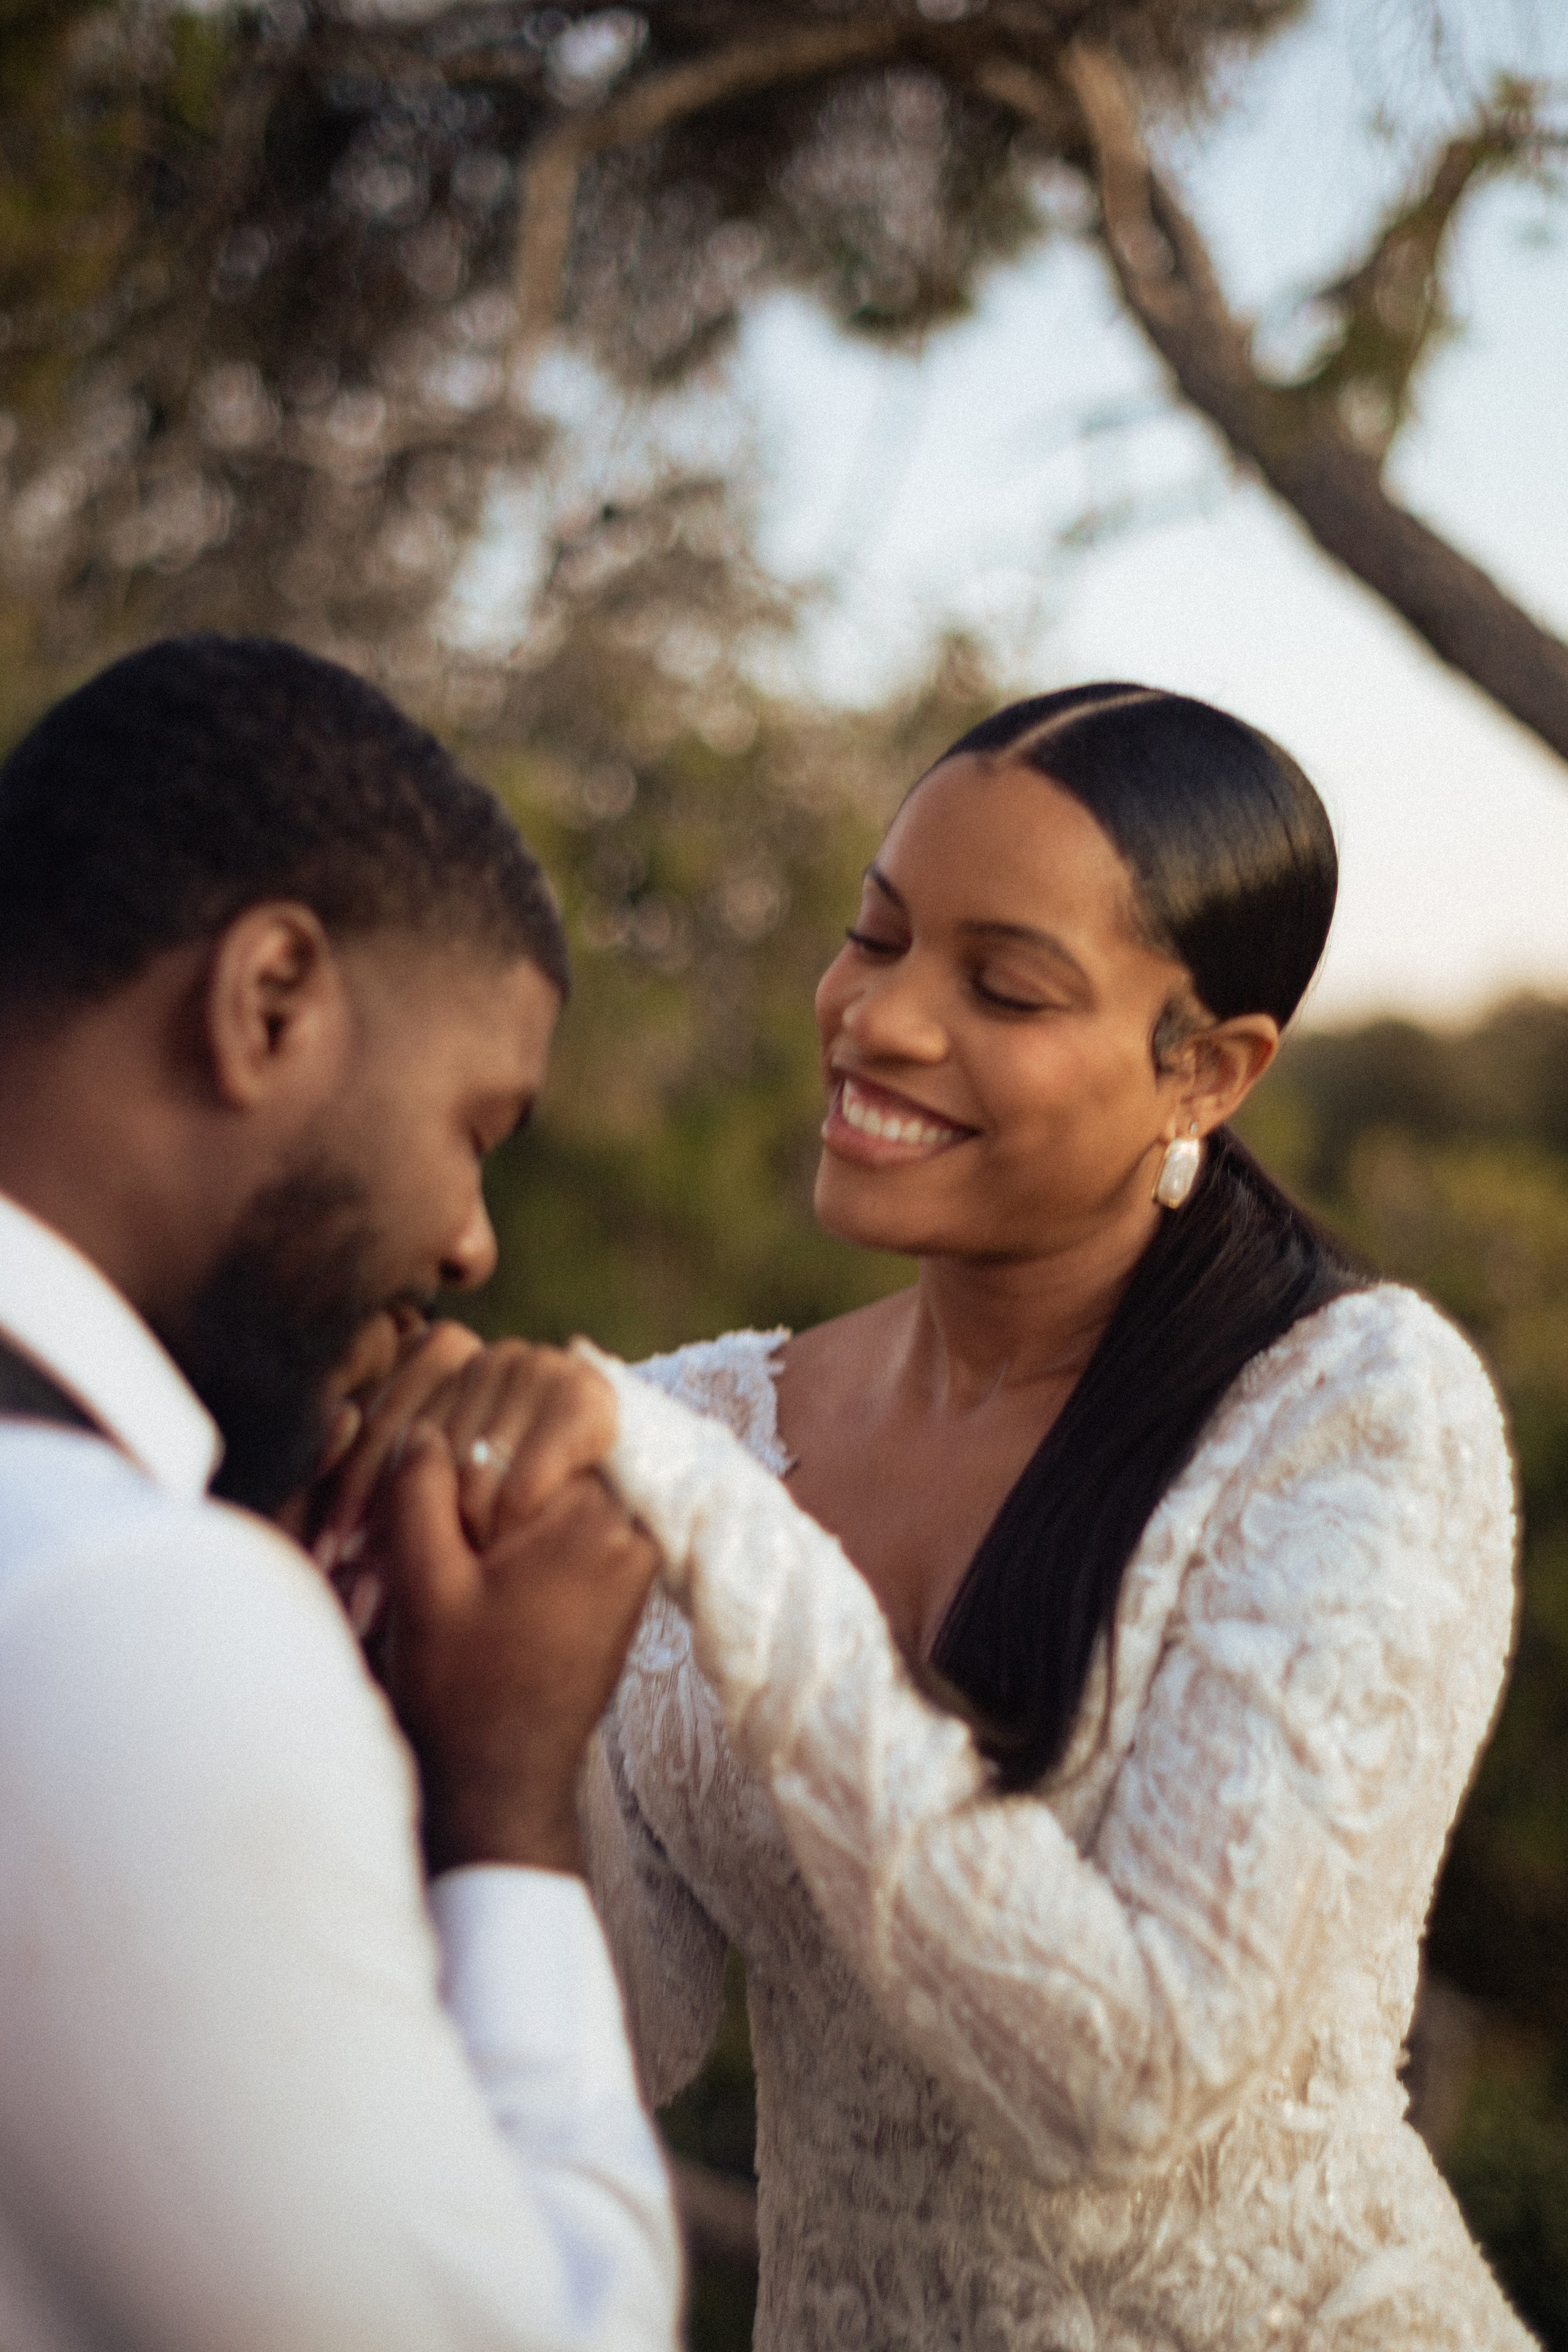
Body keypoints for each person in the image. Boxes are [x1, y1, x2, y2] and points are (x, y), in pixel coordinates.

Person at [340, 684, 1536, 2348]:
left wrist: (718, 1531)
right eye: (874, 935)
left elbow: (1126, 2092)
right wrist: (435, 1638)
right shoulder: (701, 1420)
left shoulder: (1356, 1417)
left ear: (1208, 1070)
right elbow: (628, 2021)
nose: (880, 1019)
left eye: (1004, 985)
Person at [0, 636, 682, 2352]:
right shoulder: (135, 1612)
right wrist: (503, 1806)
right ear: (272, 1001)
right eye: (475, 1122)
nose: (471, 1243)